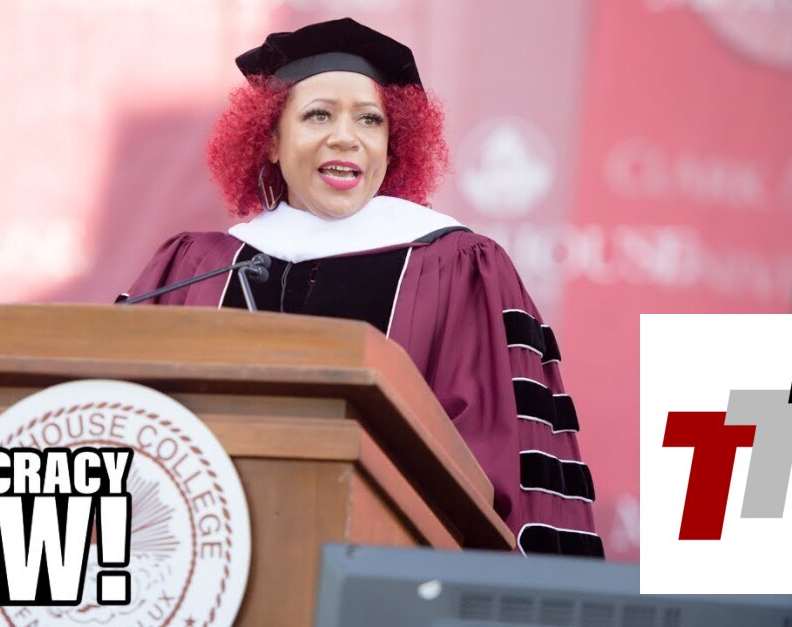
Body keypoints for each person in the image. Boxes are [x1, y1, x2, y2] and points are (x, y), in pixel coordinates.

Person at [123, 18, 603, 557]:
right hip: (200, 568)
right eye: (318, 114)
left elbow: (503, 467)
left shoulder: (459, 268)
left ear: (392, 147)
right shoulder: (196, 268)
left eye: (370, 120)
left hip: (388, 574)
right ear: (271, 141)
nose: (345, 137)